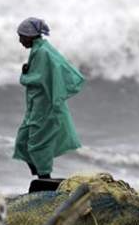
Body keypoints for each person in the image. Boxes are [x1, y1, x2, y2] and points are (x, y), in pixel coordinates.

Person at [13, 17, 85, 179]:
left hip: (44, 109)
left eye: (22, 36)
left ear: (31, 36)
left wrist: (24, 75)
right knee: (22, 143)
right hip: (34, 108)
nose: (20, 40)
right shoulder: (39, 50)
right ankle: (41, 175)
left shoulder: (43, 52)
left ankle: (44, 178)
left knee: (39, 146)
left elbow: (37, 79)